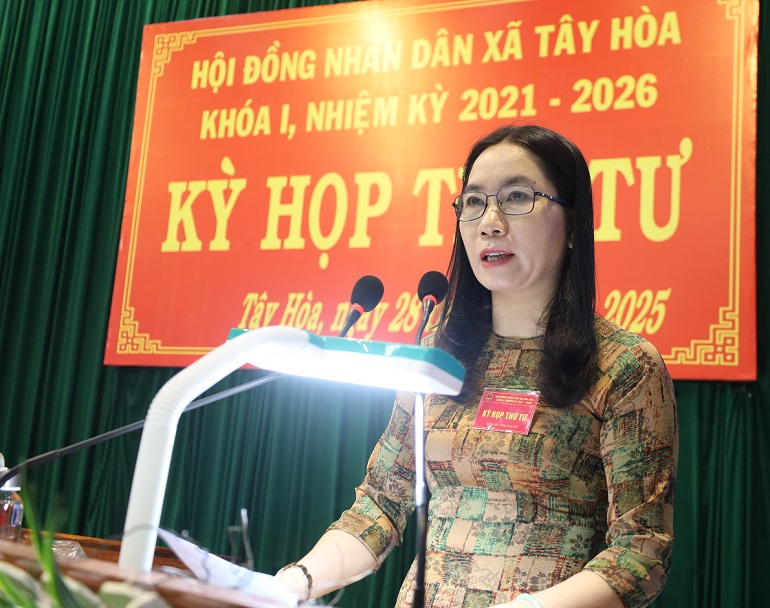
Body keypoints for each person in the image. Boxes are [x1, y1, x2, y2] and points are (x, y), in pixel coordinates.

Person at [275, 124, 678, 608]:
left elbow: (640, 554)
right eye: (473, 202)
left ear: (573, 225)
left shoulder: (624, 366)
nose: (489, 222)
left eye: (517, 197)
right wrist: (291, 585)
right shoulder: (437, 354)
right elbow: (379, 506)